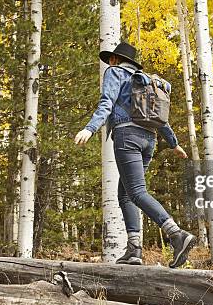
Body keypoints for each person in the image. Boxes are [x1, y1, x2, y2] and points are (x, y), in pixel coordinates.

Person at [74, 42, 196, 267]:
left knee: (137, 192)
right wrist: (174, 143)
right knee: (126, 194)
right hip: (149, 140)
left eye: (110, 59)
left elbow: (107, 103)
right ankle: (134, 250)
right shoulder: (145, 81)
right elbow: (160, 118)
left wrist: (90, 128)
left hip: (126, 136)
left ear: (114, 59)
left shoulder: (115, 72)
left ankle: (177, 235)